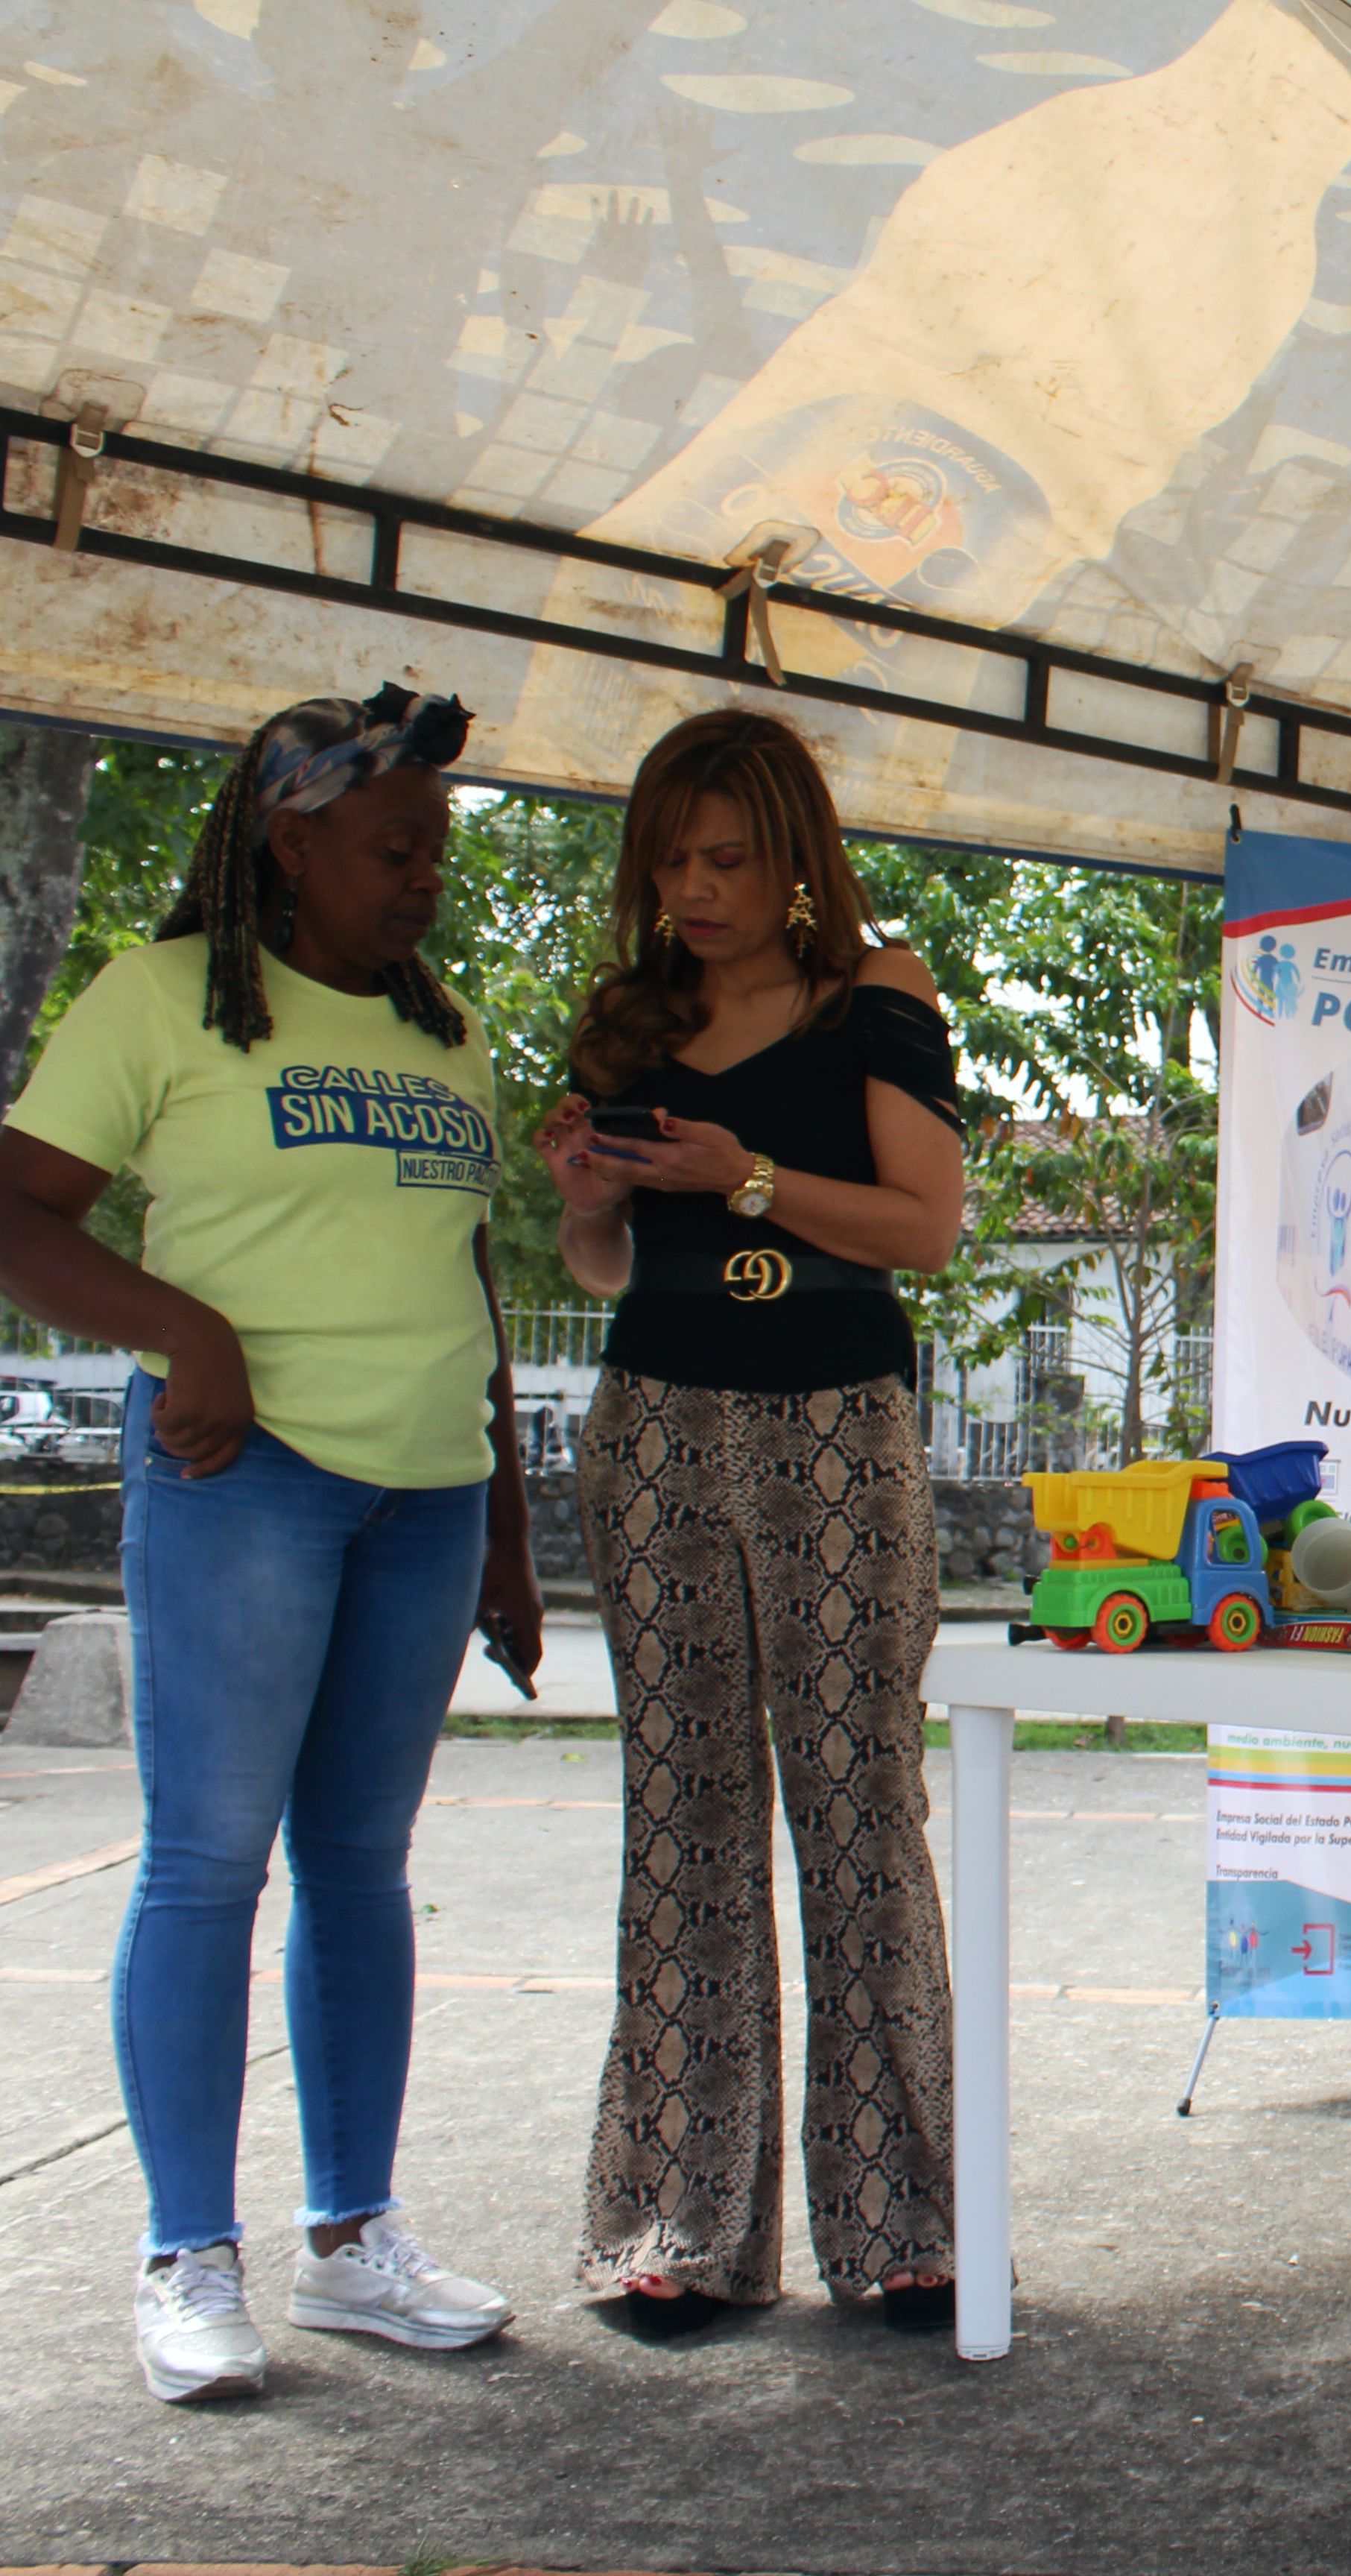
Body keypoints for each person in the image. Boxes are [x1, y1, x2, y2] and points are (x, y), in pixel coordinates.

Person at [0, 686, 536, 2402]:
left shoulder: (449, 1032)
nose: (426, 879)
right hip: (250, 1480)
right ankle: (184, 2256)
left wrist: (512, 1526)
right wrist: (189, 1335)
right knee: (206, 1863)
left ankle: (351, 2241)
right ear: (290, 841)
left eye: (440, 850)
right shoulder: (164, 1001)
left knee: (362, 1867)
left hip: (425, 1499)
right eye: (397, 848)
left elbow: (470, 1284)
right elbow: (18, 1210)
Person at [533, 709, 968, 2337]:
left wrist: (747, 1173)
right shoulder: (628, 1019)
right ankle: (676, 2225)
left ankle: (907, 2224)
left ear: (796, 858)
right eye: (669, 858)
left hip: (836, 1428)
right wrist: (593, 1196)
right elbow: (602, 1269)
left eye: (726, 858)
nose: (694, 888)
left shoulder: (881, 994)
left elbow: (925, 1224)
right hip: (655, 1428)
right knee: (686, 1821)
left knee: (859, 1812)